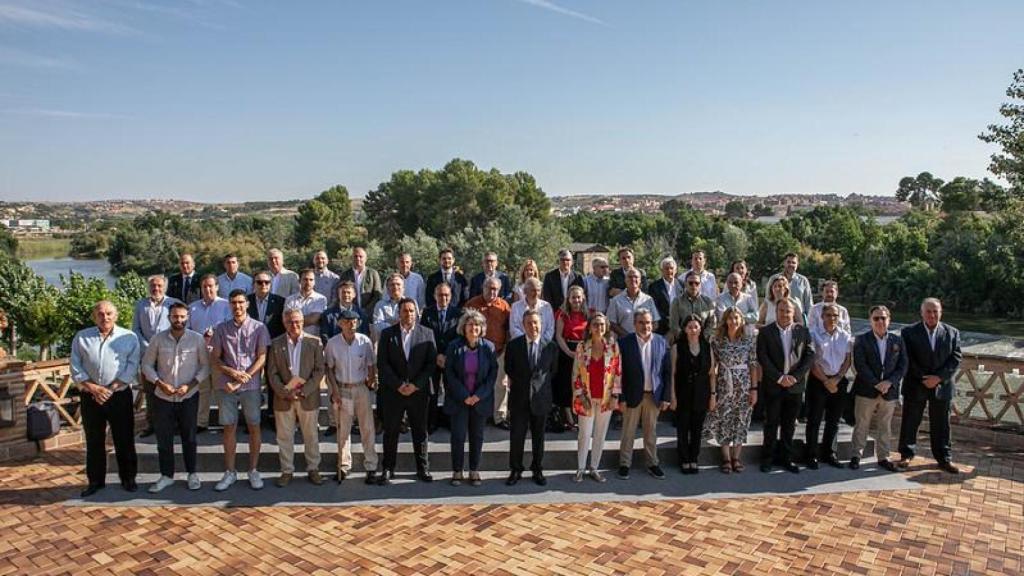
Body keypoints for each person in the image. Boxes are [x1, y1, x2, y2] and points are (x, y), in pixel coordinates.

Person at [71, 301, 140, 497]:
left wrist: (111, 388)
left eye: (109, 313)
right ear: (94, 316)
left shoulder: (129, 337)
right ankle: (95, 481)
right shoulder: (82, 337)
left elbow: (132, 366)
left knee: (124, 439)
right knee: (94, 440)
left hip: (119, 395)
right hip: (90, 396)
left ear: (116, 316)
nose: (105, 317)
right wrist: (93, 388)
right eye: (101, 314)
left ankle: (128, 479)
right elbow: (76, 366)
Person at [142, 302, 209, 492]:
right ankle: (166, 475)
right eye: (174, 317)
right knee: (164, 439)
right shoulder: (158, 339)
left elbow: (205, 367)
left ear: (187, 317)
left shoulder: (197, 339)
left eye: (182, 317)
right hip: (162, 397)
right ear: (169, 317)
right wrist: (160, 383)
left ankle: (192, 474)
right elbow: (146, 365)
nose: (178, 320)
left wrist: (191, 385)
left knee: (190, 438)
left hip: (189, 396)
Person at [211, 289, 271, 491]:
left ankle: (253, 470)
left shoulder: (259, 328)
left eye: (240, 302)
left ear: (247, 304)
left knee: (254, 425)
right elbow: (216, 358)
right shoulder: (221, 329)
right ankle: (230, 472)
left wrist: (245, 376)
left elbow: (262, 357)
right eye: (233, 303)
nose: (237, 306)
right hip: (226, 385)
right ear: (229, 305)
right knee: (229, 427)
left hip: (251, 386)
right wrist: (232, 373)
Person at [376, 298, 437, 485]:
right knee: (391, 431)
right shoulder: (387, 334)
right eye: (404, 311)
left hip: (418, 392)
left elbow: (430, 364)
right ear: (398, 313)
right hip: (394, 392)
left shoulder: (427, 333)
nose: (408, 314)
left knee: (420, 431)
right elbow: (383, 364)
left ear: (417, 313)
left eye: (411, 311)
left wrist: (415, 385)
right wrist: (398, 385)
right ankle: (388, 468)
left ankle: (422, 468)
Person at [898, 298, 963, 474]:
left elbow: (955, 359)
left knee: (942, 424)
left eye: (935, 311)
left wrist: (938, 378)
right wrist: (925, 377)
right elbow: (907, 358)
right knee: (910, 421)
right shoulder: (908, 332)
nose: (932, 315)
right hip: (916, 383)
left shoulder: (952, 332)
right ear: (922, 313)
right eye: (928, 311)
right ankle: (906, 454)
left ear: (941, 312)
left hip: (942, 386)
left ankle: (944, 458)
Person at [266, 309, 325, 487]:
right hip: (284, 398)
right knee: (284, 436)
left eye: (298, 321)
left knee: (311, 435)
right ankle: (286, 471)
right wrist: (285, 392)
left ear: (303, 322)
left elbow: (319, 370)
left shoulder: (314, 342)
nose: (295, 325)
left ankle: (313, 468)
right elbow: (271, 373)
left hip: (307, 397)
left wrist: (304, 390)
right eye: (291, 322)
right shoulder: (276, 343)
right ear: (285, 323)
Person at [756, 299, 814, 473]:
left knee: (789, 425)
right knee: (771, 423)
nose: (785, 314)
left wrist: (795, 378)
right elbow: (762, 357)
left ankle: (787, 459)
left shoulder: (803, 331)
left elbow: (809, 356)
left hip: (794, 387)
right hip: (774, 385)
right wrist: (779, 377)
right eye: (781, 310)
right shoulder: (766, 332)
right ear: (776, 311)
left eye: (788, 311)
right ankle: (767, 459)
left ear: (793, 312)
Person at [850, 305, 907, 472]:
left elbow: (903, 366)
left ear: (889, 320)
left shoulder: (897, 341)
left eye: (883, 318)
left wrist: (889, 382)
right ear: (870, 321)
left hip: (889, 391)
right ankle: (856, 456)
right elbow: (860, 365)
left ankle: (883, 457)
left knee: (885, 425)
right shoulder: (861, 340)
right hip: (866, 389)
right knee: (862, 424)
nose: (880, 321)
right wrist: (876, 383)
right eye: (876, 318)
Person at [505, 309, 558, 486]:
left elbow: (552, 372)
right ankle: (516, 469)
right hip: (519, 398)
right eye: (529, 323)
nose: (533, 326)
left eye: (536, 323)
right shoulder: (514, 346)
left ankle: (537, 469)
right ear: (523, 325)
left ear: (541, 325)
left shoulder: (550, 346)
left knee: (539, 437)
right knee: (517, 436)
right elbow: (509, 368)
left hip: (541, 399)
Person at [325, 309, 379, 484]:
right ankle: (343, 465)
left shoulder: (365, 341)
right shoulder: (333, 343)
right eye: (347, 321)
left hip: (361, 388)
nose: (351, 324)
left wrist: (371, 381)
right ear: (340, 323)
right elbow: (329, 369)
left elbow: (371, 365)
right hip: (342, 388)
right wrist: (334, 391)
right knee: (343, 429)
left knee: (367, 428)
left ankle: (371, 465)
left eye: (354, 321)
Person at [444, 310, 498, 486]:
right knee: (458, 436)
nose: (473, 328)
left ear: (481, 328)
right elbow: (449, 374)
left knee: (477, 436)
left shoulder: (488, 347)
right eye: (470, 324)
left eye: (477, 325)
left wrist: (477, 396)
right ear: (463, 327)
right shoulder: (454, 346)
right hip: (459, 400)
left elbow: (492, 375)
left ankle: (474, 470)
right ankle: (457, 471)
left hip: (480, 400)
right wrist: (465, 396)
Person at [616, 310, 671, 480]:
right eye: (641, 322)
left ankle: (652, 463)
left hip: (653, 395)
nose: (645, 326)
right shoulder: (625, 343)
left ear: (652, 324)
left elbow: (667, 372)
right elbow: (619, 373)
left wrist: (666, 397)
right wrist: (621, 397)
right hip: (632, 394)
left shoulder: (661, 342)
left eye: (648, 322)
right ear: (634, 324)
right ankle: (625, 464)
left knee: (651, 432)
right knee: (628, 432)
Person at [703, 308, 758, 473]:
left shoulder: (749, 341)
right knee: (724, 420)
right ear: (725, 321)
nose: (733, 321)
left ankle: (736, 457)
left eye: (737, 318)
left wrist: (754, 389)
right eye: (730, 318)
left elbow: (753, 365)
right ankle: (726, 458)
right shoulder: (717, 341)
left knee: (741, 420)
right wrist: (713, 393)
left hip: (744, 387)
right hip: (724, 386)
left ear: (741, 320)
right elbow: (713, 369)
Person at [571, 313, 621, 483]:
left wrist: (615, 394)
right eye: (595, 324)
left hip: (606, 398)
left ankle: (594, 467)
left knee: (600, 434)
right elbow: (576, 373)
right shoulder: (582, 347)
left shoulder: (613, 347)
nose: (599, 328)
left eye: (602, 324)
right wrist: (580, 394)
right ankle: (580, 468)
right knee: (584, 434)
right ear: (590, 327)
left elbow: (617, 373)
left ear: (606, 326)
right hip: (586, 397)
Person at [805, 304, 854, 469]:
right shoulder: (813, 335)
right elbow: (813, 361)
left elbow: (848, 359)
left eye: (835, 315)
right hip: (819, 380)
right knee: (815, 420)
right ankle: (811, 454)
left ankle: (829, 453)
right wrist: (826, 381)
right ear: (822, 317)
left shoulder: (845, 336)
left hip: (839, 381)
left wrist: (838, 378)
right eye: (828, 315)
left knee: (834, 421)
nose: (832, 318)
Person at [132, 274, 180, 438]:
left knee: (170, 389)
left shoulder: (174, 303)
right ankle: (152, 424)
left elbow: (181, 326)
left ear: (165, 287)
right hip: (147, 356)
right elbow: (136, 329)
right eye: (153, 286)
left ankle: (173, 424)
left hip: (169, 354)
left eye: (159, 285)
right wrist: (148, 346)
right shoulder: (140, 305)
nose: (156, 288)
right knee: (150, 391)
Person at [463, 277, 512, 429]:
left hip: (500, 350)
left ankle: (500, 416)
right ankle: (479, 414)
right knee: (478, 383)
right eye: (489, 288)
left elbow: (508, 328)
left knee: (501, 384)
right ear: (483, 288)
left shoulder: (504, 306)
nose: (492, 292)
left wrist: (506, 348)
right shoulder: (472, 304)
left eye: (495, 289)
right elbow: (464, 326)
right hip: (478, 351)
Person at [188, 274, 230, 433]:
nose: (208, 289)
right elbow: (189, 331)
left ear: (217, 287)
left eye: (211, 286)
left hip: (221, 355)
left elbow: (230, 328)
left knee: (221, 389)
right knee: (203, 390)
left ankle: (224, 421)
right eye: (205, 286)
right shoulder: (192, 307)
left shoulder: (226, 305)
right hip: (200, 355)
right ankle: (201, 422)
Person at [672, 315, 714, 474]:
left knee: (697, 429)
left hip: (701, 393)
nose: (693, 330)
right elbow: (673, 374)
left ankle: (694, 458)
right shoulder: (678, 347)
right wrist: (673, 396)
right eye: (689, 327)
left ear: (700, 328)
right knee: (682, 428)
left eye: (696, 327)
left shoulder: (707, 347)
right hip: (682, 392)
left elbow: (712, 374)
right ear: (684, 329)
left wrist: (713, 395)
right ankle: (684, 459)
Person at [420, 282, 462, 433]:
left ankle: (450, 421)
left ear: (450, 297)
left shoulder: (458, 314)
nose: (443, 298)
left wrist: (447, 356)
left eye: (446, 295)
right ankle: (431, 422)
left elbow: (459, 337)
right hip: (432, 357)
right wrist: (437, 355)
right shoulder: (427, 313)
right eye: (440, 295)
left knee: (451, 391)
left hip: (451, 359)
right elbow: (424, 335)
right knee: (432, 392)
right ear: (434, 296)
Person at [554, 285, 588, 432]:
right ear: (568, 299)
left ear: (583, 298)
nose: (576, 300)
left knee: (582, 384)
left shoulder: (589, 314)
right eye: (573, 297)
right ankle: (568, 418)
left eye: (579, 297)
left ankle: (580, 414)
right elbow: (558, 336)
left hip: (585, 351)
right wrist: (568, 352)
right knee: (567, 385)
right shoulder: (562, 314)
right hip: (567, 351)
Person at [607, 267, 660, 338]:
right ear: (625, 280)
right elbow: (611, 323)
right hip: (624, 341)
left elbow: (655, 322)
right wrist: (628, 337)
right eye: (630, 277)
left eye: (636, 277)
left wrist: (645, 335)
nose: (633, 279)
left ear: (640, 281)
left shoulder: (648, 300)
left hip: (645, 340)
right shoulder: (616, 300)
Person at [668, 270, 715, 343]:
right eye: (691, 283)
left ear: (700, 285)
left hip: (703, 341)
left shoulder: (708, 302)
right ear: (685, 284)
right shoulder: (677, 302)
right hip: (683, 341)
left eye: (697, 283)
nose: (694, 285)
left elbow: (711, 324)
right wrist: (686, 337)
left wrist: (703, 337)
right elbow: (674, 325)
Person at [647, 256, 685, 336]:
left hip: (681, 327)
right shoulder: (654, 287)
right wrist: (670, 322)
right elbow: (654, 308)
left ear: (676, 270)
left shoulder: (682, 285)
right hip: (662, 328)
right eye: (666, 268)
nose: (669, 271)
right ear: (662, 271)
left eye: (671, 268)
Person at [766, 253, 813, 317]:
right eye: (788, 262)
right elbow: (768, 299)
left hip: (799, 318)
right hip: (778, 317)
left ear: (797, 265)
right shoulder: (774, 279)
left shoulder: (803, 281)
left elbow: (809, 304)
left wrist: (809, 321)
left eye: (793, 262)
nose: (791, 264)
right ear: (784, 263)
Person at [284, 268, 327, 337]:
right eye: (305, 279)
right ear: (299, 281)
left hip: (313, 339)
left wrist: (294, 321)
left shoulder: (321, 299)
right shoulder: (290, 299)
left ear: (314, 282)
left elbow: (314, 319)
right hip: (293, 339)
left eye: (311, 280)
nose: (308, 282)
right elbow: (287, 319)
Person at [510, 277, 555, 342]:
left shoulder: (547, 306)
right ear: (525, 291)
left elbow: (550, 328)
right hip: (522, 345)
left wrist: (540, 343)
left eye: (538, 290)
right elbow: (514, 329)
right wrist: (528, 341)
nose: (536, 293)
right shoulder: (516, 307)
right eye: (533, 290)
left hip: (543, 346)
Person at [339, 246, 383, 312]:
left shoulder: (373, 273)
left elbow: (377, 295)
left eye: (361, 256)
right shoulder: (345, 275)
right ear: (352, 258)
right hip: (350, 313)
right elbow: (340, 294)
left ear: (366, 259)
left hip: (369, 313)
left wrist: (366, 310)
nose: (358, 259)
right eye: (355, 256)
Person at [716, 273, 758, 337]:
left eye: (736, 282)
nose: (733, 285)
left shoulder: (748, 298)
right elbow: (722, 317)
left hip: (746, 335)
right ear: (727, 284)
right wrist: (745, 318)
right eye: (730, 282)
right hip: (727, 335)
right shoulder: (720, 299)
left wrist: (740, 316)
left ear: (741, 283)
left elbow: (755, 317)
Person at [247, 271, 286, 339]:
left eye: (267, 282)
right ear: (253, 284)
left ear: (270, 284)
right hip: (251, 342)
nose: (263, 285)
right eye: (259, 282)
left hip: (273, 342)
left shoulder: (281, 301)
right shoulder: (246, 301)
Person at [371, 273, 407, 342]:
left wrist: (388, 322)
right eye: (392, 285)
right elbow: (377, 327)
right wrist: (399, 324)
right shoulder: (380, 305)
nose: (395, 287)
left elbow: (413, 324)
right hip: (387, 342)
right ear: (387, 288)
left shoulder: (410, 303)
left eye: (398, 284)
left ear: (403, 288)